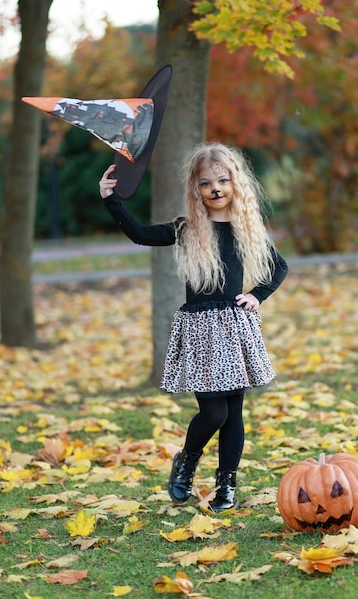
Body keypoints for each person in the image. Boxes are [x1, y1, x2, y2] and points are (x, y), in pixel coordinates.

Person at [99, 142, 288, 513]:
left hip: (233, 327)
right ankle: (186, 461)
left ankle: (226, 487)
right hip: (201, 329)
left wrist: (257, 296)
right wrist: (111, 201)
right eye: (206, 184)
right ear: (196, 190)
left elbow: (279, 266)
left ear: (235, 184)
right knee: (214, 413)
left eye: (222, 180)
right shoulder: (188, 229)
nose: (215, 188)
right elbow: (140, 234)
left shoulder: (245, 228)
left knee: (234, 413)